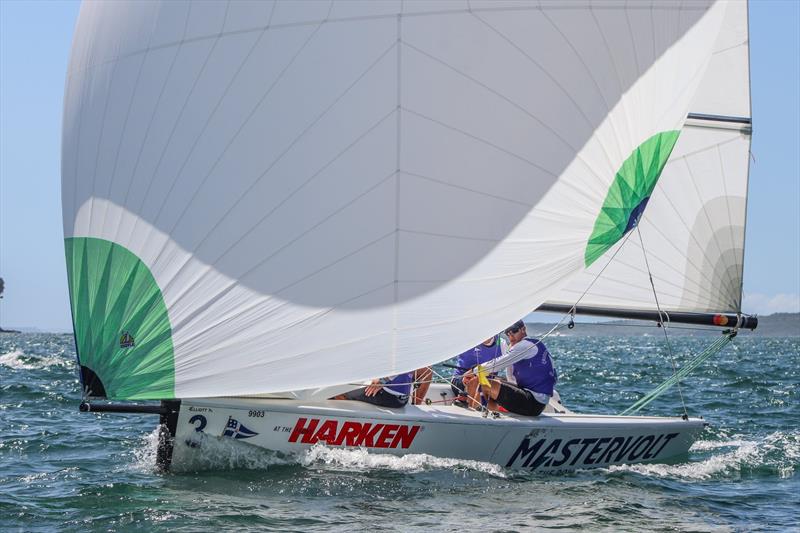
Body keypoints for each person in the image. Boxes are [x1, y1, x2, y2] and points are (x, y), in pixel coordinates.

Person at [462, 320, 557, 417]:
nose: (511, 337)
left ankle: (474, 419)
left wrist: (473, 371)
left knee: (484, 385)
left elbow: (498, 363)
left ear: (523, 329)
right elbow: (511, 378)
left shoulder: (525, 345)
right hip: (531, 397)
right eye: (508, 334)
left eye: (514, 332)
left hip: (534, 402)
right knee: (478, 379)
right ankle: (482, 413)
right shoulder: (534, 344)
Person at [450, 335, 508, 408]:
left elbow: (510, 367)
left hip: (487, 382)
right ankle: (471, 409)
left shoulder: (501, 344)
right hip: (461, 380)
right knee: (475, 379)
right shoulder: (466, 340)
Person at [333, 370, 417, 408]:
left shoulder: (395, 340)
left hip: (389, 395)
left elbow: (400, 364)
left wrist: (383, 380)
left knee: (338, 392)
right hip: (403, 399)